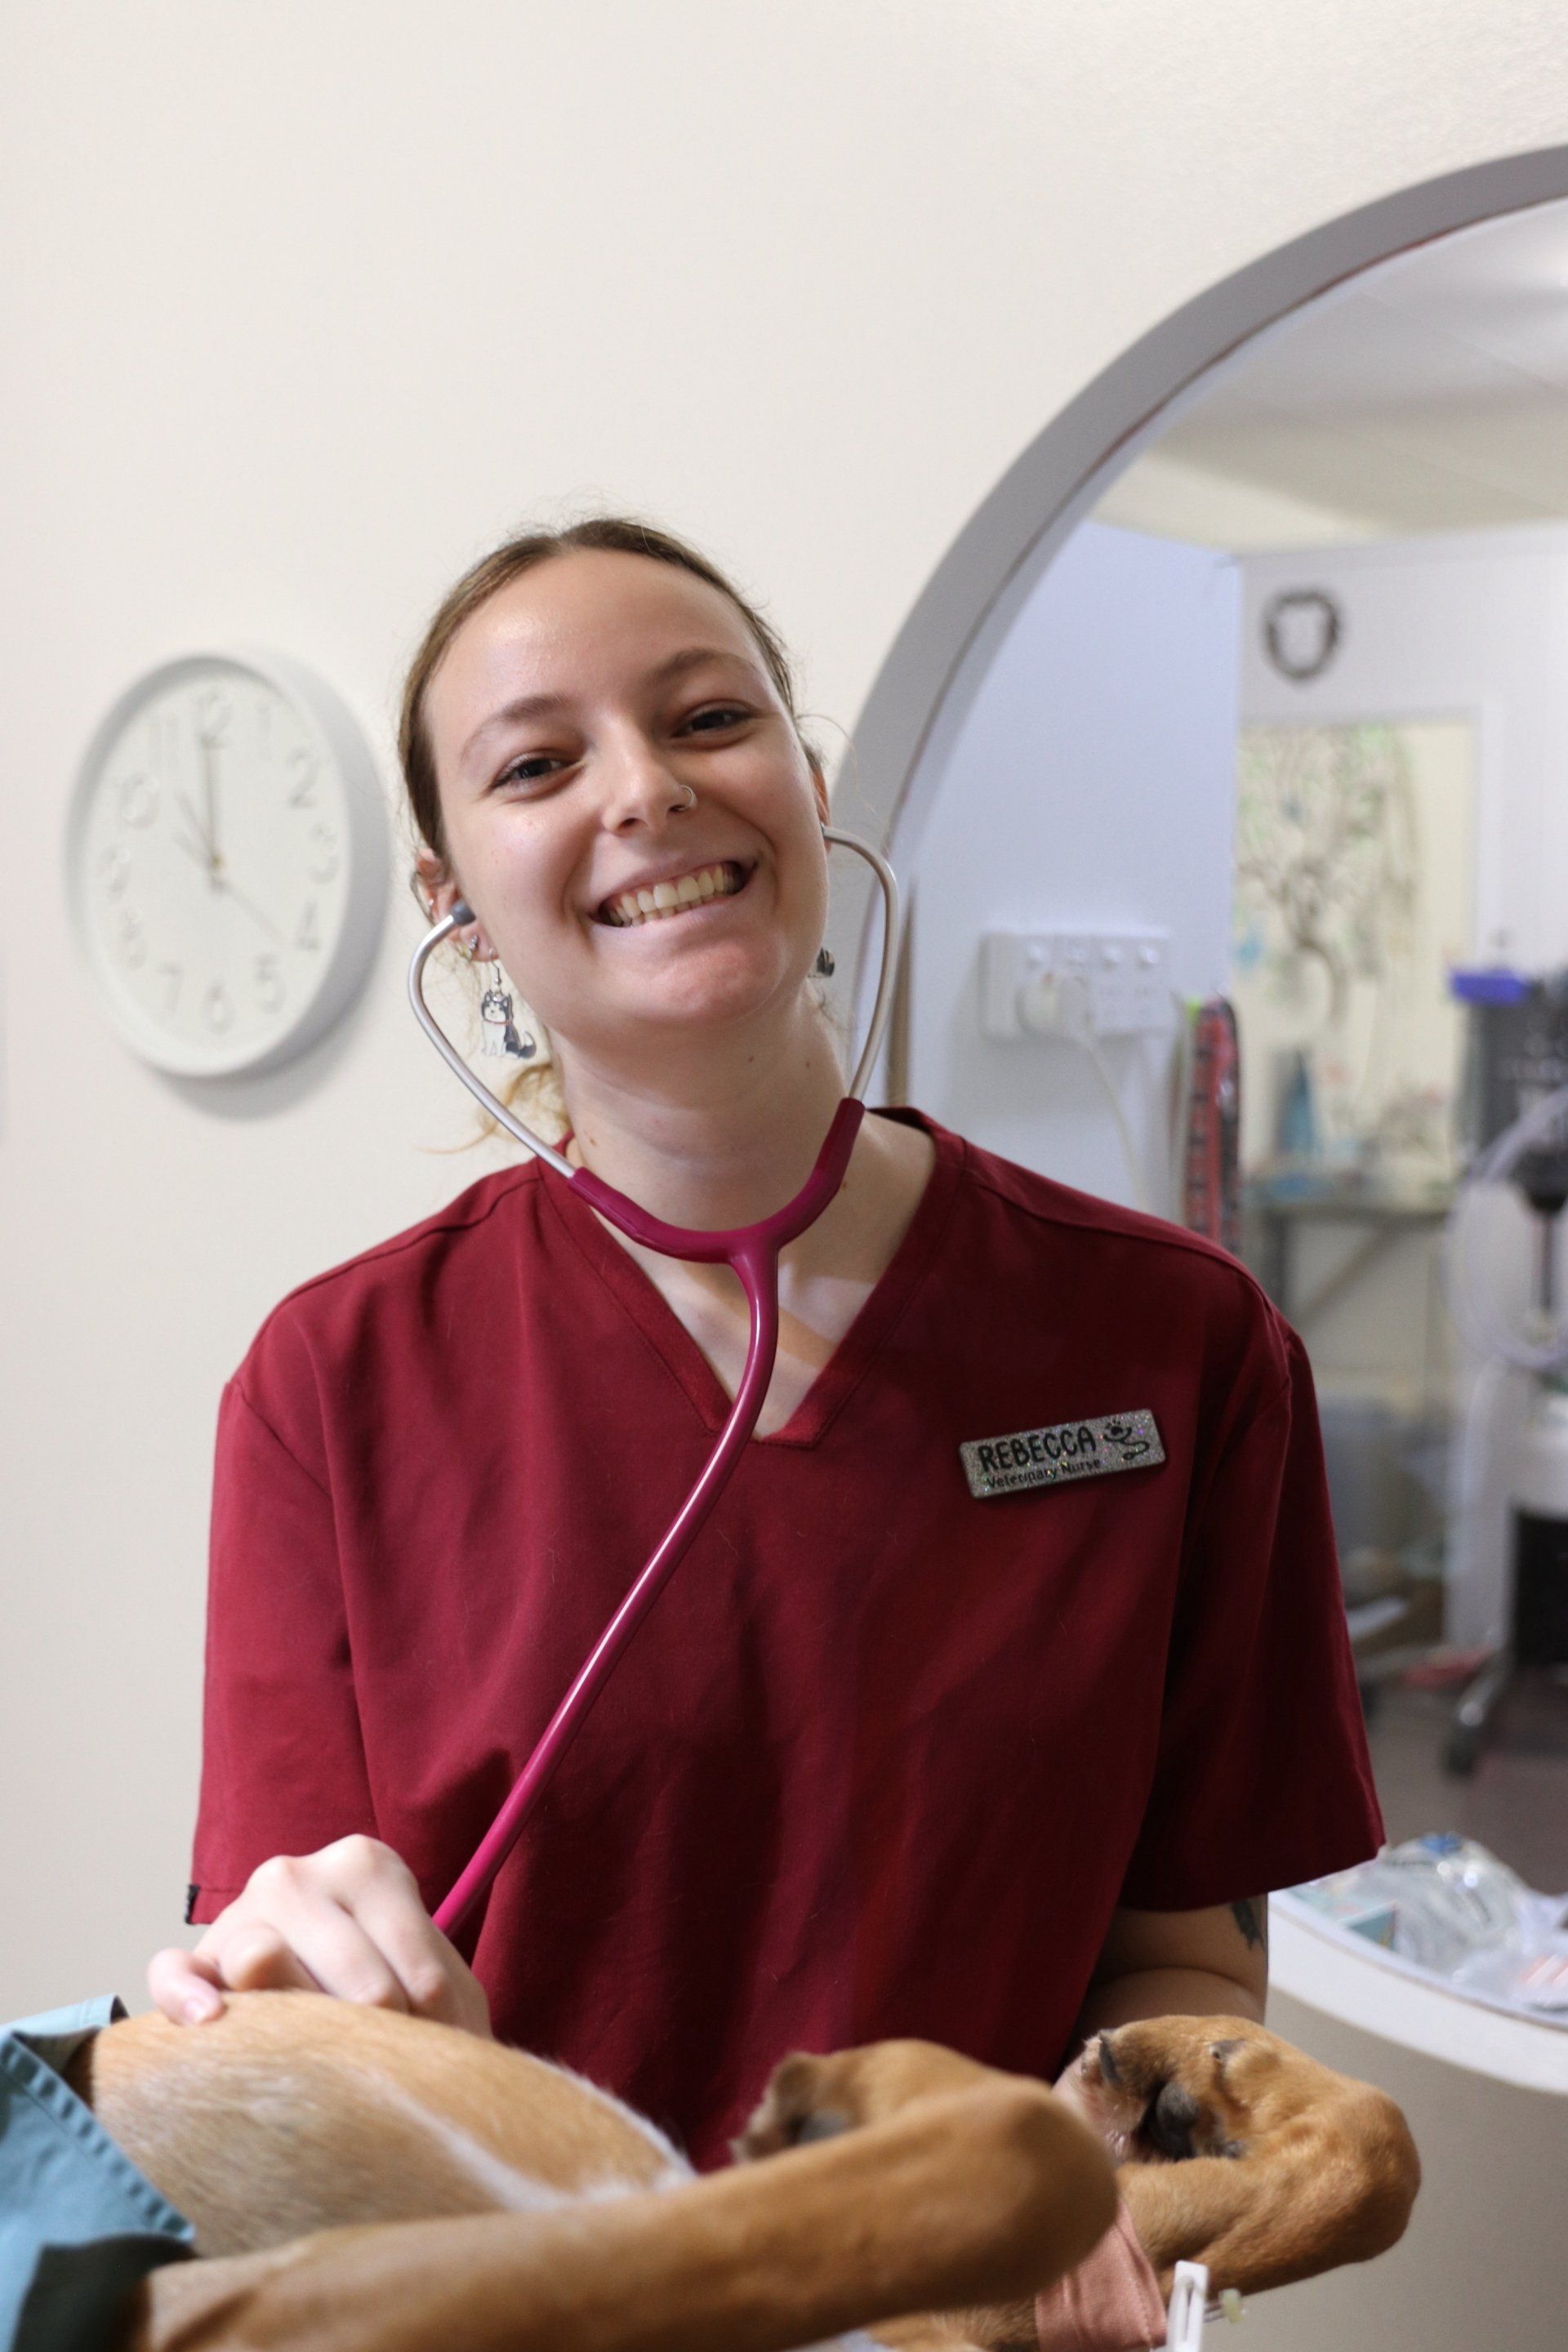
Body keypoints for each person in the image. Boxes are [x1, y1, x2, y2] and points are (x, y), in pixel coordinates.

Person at [149, 513, 1381, 2255]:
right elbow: (290, 2006)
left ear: (807, 784)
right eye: (538, 764)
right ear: (457, 906)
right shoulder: (333, 1384)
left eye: (707, 720)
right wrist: (301, 2012)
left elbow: (1182, 1961)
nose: (643, 792)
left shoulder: (1177, 1345)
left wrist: (1115, 2223)